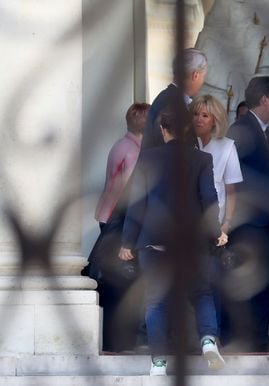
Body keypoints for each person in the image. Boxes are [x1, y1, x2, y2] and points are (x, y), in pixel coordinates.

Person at [119, 111, 227, 375]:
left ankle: (158, 363)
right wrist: (216, 232)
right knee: (201, 294)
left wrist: (126, 243)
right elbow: (209, 199)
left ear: (163, 130)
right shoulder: (202, 158)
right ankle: (209, 342)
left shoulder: (147, 158)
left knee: (156, 302)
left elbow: (137, 204)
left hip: (154, 243)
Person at [224, 76, 269, 352]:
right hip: (248, 225)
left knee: (262, 285)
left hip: (265, 226)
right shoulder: (241, 130)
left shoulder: (264, 132)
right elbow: (234, 179)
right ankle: (243, 341)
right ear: (264, 100)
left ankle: (260, 342)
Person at [89, 102, 150, 352]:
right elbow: (131, 193)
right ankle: (121, 341)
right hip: (121, 222)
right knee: (122, 284)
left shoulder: (121, 145)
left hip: (108, 217)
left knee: (116, 281)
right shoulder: (134, 151)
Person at [190, 95, 243, 234]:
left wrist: (227, 223)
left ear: (215, 120)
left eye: (205, 115)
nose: (198, 119)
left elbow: (231, 191)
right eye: (195, 114)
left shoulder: (227, 146)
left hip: (214, 222)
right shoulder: (186, 144)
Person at [141, 48, 207, 150]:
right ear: (195, 75)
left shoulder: (166, 97)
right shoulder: (171, 104)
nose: (203, 82)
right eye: (203, 77)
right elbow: (164, 149)